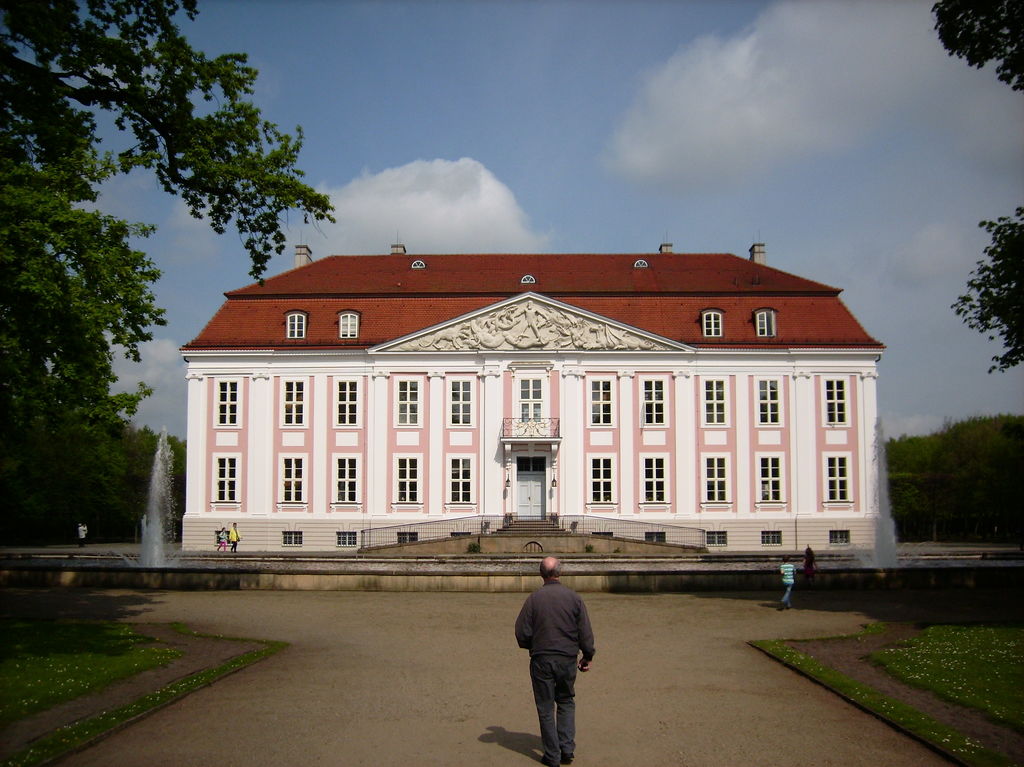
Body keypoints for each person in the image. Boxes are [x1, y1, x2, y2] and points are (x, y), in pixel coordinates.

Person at [515, 556, 595, 767]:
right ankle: (566, 749)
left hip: (542, 658)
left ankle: (552, 755)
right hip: (567, 658)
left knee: (545, 707)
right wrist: (587, 656)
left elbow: (521, 632)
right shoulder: (574, 598)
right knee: (566, 701)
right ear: (560, 572)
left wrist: (532, 646)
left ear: (541, 574)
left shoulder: (534, 599)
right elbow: (585, 632)